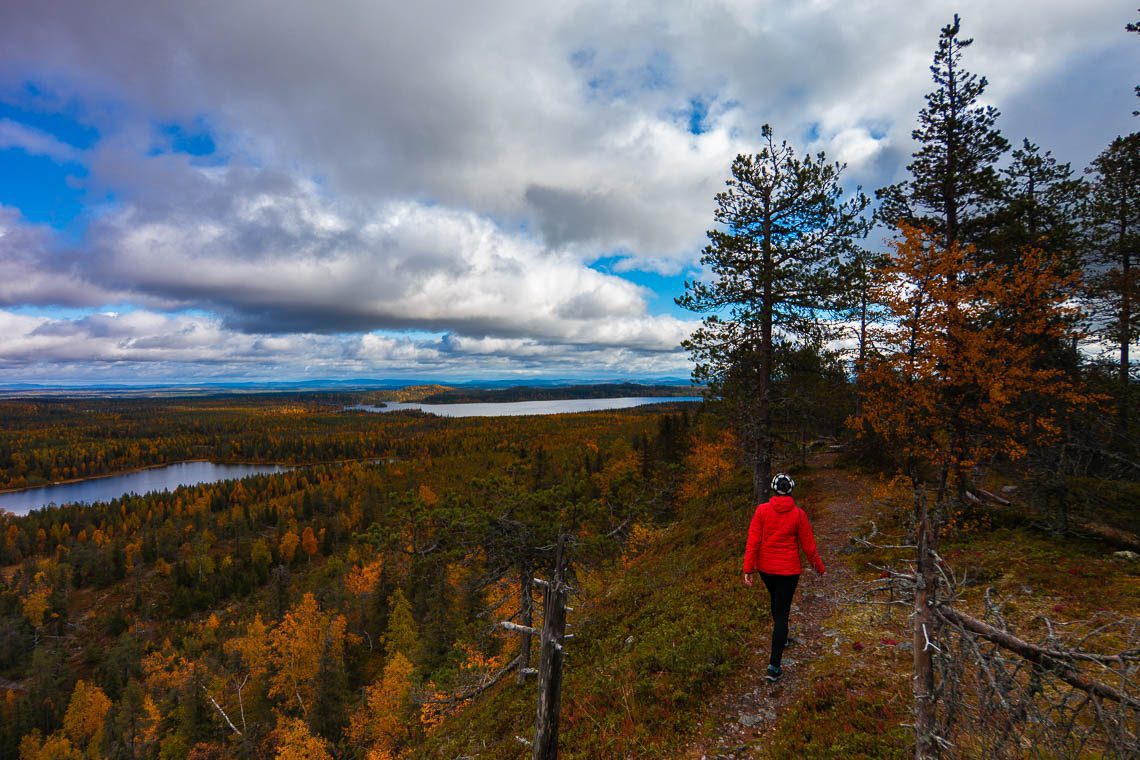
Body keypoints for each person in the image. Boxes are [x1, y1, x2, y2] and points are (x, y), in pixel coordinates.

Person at [742, 472, 825, 683]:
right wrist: (819, 568)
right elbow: (809, 546)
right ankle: (774, 667)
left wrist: (748, 569)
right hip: (789, 571)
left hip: (766, 570)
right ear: (790, 491)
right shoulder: (798, 514)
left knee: (777, 604)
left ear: (773, 490)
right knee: (782, 613)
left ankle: (781, 640)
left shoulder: (762, 511)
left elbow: (753, 541)